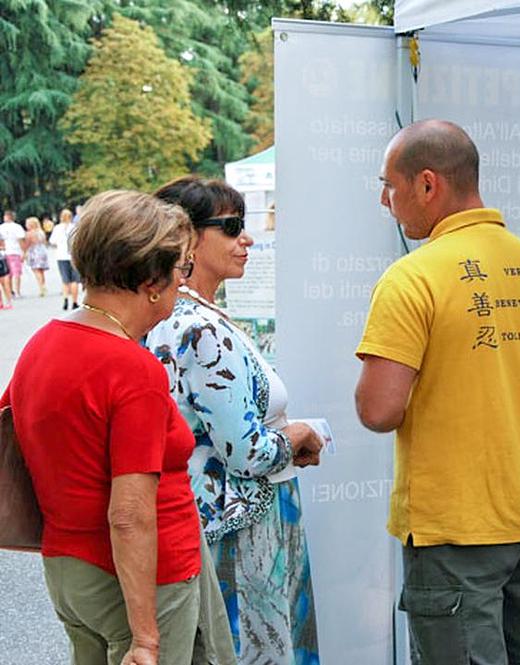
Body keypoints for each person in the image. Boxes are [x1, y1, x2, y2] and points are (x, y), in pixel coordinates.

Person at [355, 120, 520, 665]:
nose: (385, 200)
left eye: (390, 184)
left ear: (427, 184)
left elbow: (379, 409)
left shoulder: (413, 277)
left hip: (454, 525)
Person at [0, 190, 235, 665]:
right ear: (152, 280)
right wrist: (145, 638)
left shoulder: (45, 341)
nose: (182, 282)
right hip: (140, 578)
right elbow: (129, 514)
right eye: (181, 268)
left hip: (67, 565)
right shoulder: (132, 368)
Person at [147, 176, 322, 665]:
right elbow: (245, 452)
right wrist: (298, 437)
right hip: (241, 527)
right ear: (185, 238)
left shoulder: (172, 316)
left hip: (210, 521)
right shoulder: (199, 327)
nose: (246, 238)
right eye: (231, 227)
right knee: (254, 650)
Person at [50, 208, 81, 310]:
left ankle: (65, 299)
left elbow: (52, 241)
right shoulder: (75, 227)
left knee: (65, 280)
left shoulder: (57, 228)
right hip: (72, 255)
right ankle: (75, 301)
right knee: (74, 280)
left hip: (61, 256)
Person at [0, 210, 25, 298]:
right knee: (16, 273)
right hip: (15, 251)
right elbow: (21, 240)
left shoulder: (1, 227)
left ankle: (10, 292)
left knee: (8, 273)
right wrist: (23, 252)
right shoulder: (17, 227)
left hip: (4, 252)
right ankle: (17, 291)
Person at [23, 216, 50, 296]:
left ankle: (41, 288)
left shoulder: (29, 233)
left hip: (34, 251)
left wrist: (24, 253)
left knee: (36, 270)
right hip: (42, 250)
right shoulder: (41, 232)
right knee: (41, 271)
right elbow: (45, 242)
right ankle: (44, 285)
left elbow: (27, 244)